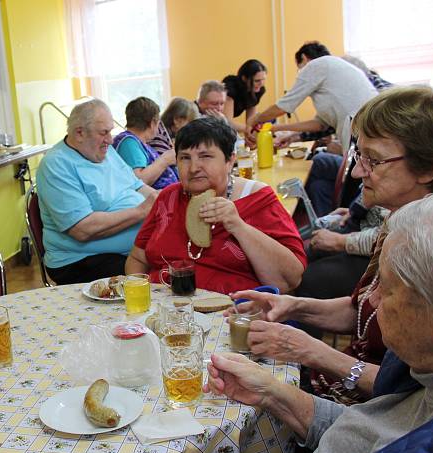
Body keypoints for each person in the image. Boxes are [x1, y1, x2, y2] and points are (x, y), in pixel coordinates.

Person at [193, 193, 433, 453]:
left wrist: (311, 353)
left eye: (386, 289)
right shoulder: (428, 375)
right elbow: (366, 435)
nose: (370, 301)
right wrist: (269, 391)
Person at [237, 86, 433, 404]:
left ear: (428, 168)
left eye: (373, 160)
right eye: (358, 156)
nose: (357, 171)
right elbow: (361, 311)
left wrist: (312, 351)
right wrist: (295, 306)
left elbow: (412, 400)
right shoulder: (399, 224)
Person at [125, 116, 306, 294]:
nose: (194, 168)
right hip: (166, 313)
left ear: (230, 161)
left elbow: (290, 280)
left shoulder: (257, 199)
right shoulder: (168, 197)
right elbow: (136, 259)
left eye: (206, 156)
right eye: (185, 158)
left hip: (231, 315)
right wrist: (144, 299)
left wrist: (238, 226)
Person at [35, 99, 157, 285]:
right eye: (104, 133)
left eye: (110, 131)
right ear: (79, 133)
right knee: (159, 274)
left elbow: (138, 186)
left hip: (128, 249)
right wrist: (141, 212)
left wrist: (162, 200)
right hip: (80, 260)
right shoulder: (56, 164)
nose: (110, 139)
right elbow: (82, 229)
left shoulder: (106, 152)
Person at [248, 41, 377, 152]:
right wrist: (281, 130)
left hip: (359, 130)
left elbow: (283, 107)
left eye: (299, 69)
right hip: (370, 125)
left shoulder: (316, 65)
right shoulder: (335, 67)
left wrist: (257, 119)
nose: (301, 74)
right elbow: (320, 125)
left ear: (304, 58)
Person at [112, 97, 178, 189]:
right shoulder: (128, 143)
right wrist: (165, 159)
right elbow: (139, 181)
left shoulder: (137, 142)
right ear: (152, 123)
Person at [222, 59, 268, 134]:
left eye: (263, 80)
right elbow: (227, 123)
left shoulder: (258, 90)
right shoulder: (230, 88)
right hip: (207, 120)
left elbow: (251, 121)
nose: (261, 84)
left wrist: (253, 131)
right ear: (244, 78)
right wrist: (251, 129)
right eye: (257, 81)